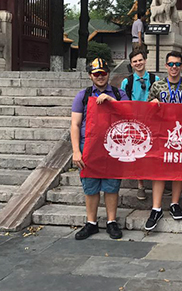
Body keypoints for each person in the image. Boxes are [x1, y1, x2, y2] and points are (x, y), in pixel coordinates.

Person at [71, 58, 128, 240]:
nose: (100, 77)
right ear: (90, 76)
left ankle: (111, 221)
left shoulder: (119, 94)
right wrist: (75, 151)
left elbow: (129, 113)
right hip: (89, 145)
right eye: (96, 74)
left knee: (112, 185)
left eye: (103, 73)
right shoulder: (83, 95)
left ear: (108, 74)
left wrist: (111, 101)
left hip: (113, 145)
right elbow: (75, 124)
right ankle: (91, 222)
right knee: (90, 185)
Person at [145, 51, 182, 231]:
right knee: (159, 171)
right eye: (171, 64)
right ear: (166, 66)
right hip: (163, 134)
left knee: (179, 169)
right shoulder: (157, 85)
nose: (174, 67)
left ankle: (175, 203)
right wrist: (152, 103)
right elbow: (146, 109)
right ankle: (156, 208)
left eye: (177, 64)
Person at [120, 49, 159, 201]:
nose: (138, 63)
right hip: (135, 123)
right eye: (135, 61)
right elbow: (123, 102)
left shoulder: (155, 79)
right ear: (131, 64)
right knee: (138, 153)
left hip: (153, 121)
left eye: (140, 60)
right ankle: (140, 184)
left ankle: (157, 181)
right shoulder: (127, 82)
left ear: (145, 60)